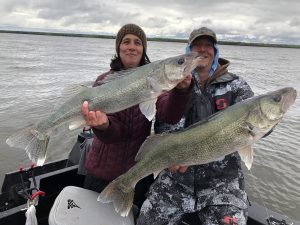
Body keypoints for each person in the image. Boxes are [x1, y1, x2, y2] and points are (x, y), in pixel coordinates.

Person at [137, 27, 254, 225]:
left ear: (215, 50)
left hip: (223, 184)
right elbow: (163, 127)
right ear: (188, 51)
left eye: (208, 45)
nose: (202, 49)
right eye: (197, 45)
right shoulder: (171, 84)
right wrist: (171, 157)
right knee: (147, 220)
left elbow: (260, 123)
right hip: (175, 181)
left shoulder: (237, 86)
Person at [80, 24, 194, 212]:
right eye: (126, 41)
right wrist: (103, 126)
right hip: (101, 172)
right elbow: (113, 133)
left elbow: (169, 115)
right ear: (119, 48)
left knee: (128, 218)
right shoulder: (103, 81)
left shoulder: (156, 79)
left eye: (137, 42)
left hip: (137, 171)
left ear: (143, 49)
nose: (132, 46)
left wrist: (181, 92)